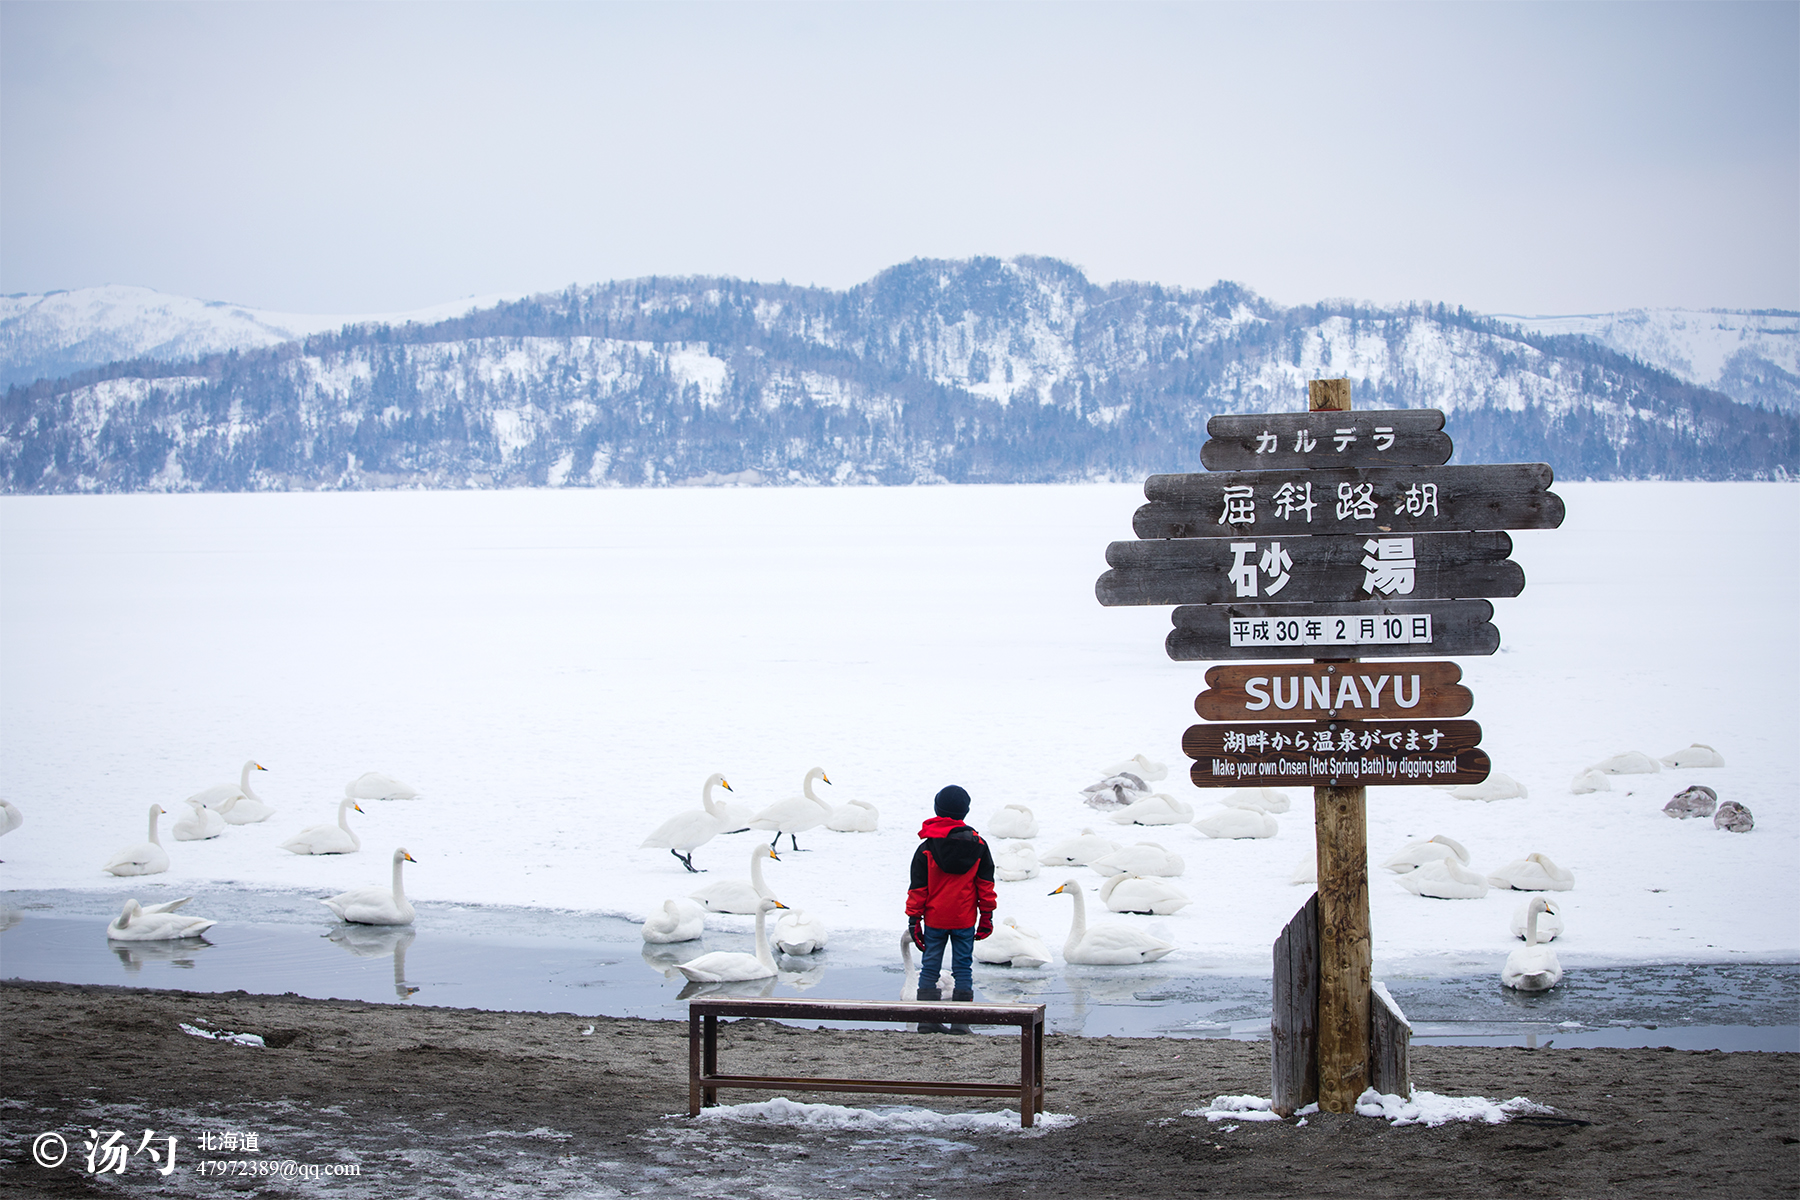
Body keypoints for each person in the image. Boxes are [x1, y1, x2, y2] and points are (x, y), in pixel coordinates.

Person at [905, 784, 996, 1034]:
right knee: (963, 968)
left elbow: (918, 888)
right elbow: (985, 884)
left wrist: (914, 919)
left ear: (937, 809)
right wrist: (986, 916)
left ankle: (927, 1020)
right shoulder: (979, 845)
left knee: (930, 966)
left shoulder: (926, 848)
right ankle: (961, 1022)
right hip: (964, 919)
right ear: (965, 812)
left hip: (935, 918)